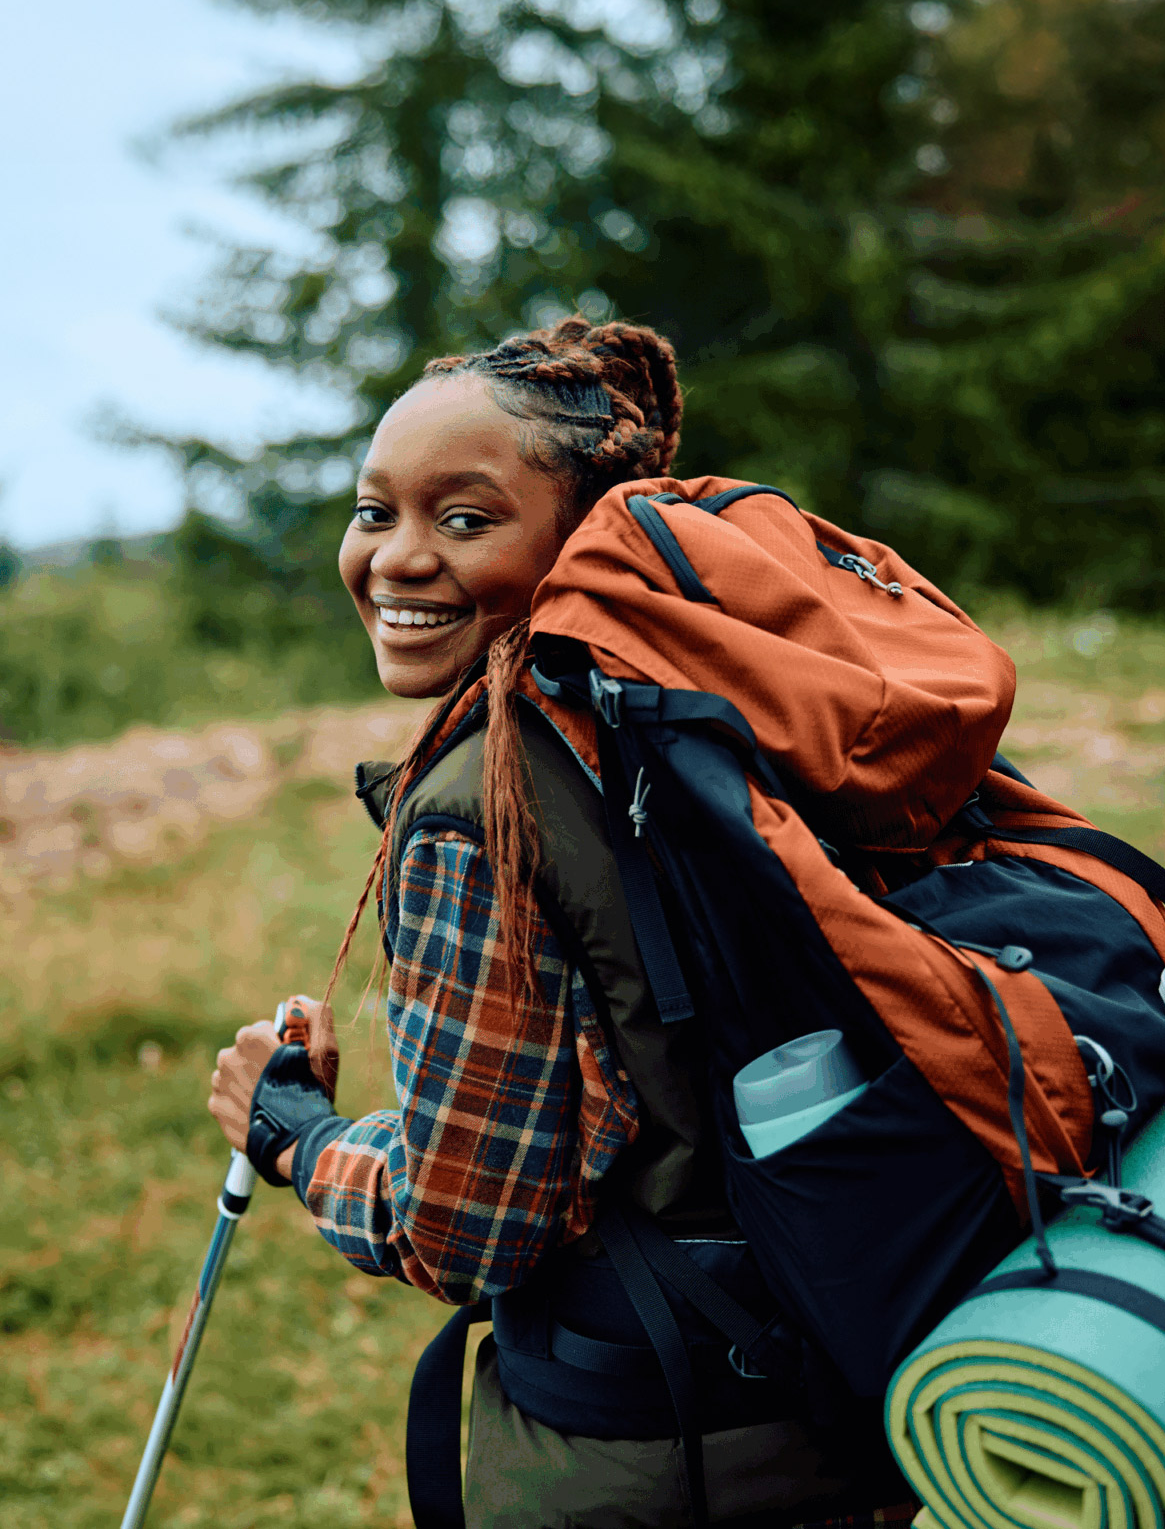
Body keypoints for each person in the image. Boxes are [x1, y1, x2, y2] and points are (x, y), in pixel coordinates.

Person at [207, 317, 913, 1529]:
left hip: (645, 1446)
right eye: (374, 511)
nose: (397, 560)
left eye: (466, 520)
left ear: (578, 538)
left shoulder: (480, 809)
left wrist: (295, 1132)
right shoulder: (703, 708)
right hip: (842, 1377)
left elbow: (469, 1227)